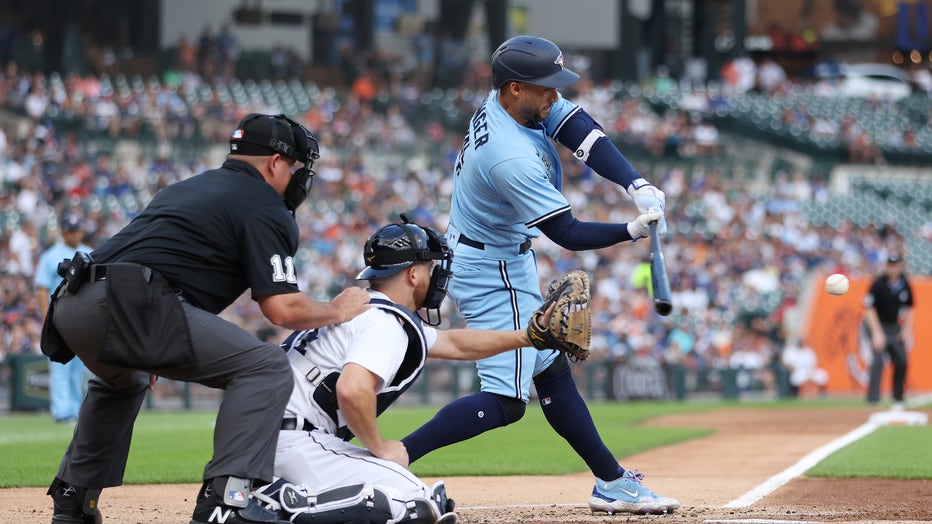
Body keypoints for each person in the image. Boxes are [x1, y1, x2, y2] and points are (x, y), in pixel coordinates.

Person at [40, 113, 371, 524]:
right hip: (130, 303)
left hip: (74, 302)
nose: (298, 177)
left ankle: (73, 499)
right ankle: (225, 502)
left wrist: (144, 344)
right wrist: (338, 310)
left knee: (123, 380)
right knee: (265, 367)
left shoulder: (190, 187)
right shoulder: (264, 204)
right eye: (295, 166)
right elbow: (283, 309)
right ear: (274, 162)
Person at [400, 35, 678, 515]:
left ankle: (610, 480)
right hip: (492, 268)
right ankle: (395, 456)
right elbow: (566, 232)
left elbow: (580, 130)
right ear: (514, 89)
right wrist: (632, 229)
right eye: (545, 88)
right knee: (506, 402)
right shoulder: (508, 154)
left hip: (499, 253)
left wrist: (635, 182)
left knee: (550, 369)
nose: (554, 96)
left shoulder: (513, 102)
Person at [260, 218, 561, 524]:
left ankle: (283, 495)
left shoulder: (372, 311)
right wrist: (378, 446)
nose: (435, 276)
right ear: (414, 274)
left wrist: (528, 337)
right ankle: (281, 505)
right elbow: (352, 389)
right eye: (430, 268)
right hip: (296, 442)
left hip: (263, 439)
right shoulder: (384, 323)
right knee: (418, 503)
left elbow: (454, 344)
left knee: (408, 495)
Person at [34, 212, 92, 423]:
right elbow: (41, 289)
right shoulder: (50, 255)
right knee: (60, 366)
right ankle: (62, 411)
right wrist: (45, 318)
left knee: (79, 369)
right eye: (70, 230)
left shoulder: (90, 252)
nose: (74, 233)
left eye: (76, 229)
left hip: (84, 317)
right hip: (59, 316)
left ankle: (76, 411)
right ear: (62, 231)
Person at [863, 253, 915, 408]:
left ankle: (898, 396)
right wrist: (877, 333)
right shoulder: (878, 283)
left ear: (900, 266)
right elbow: (869, 309)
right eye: (890, 265)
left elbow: (911, 308)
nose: (893, 268)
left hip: (894, 326)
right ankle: (873, 398)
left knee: (902, 361)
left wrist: (907, 330)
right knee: (878, 361)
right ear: (886, 266)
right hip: (879, 325)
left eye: (895, 265)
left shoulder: (904, 283)